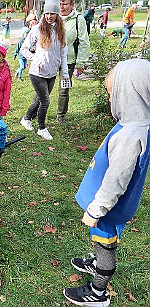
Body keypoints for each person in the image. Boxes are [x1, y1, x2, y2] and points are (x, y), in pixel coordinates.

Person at [63, 58, 150, 307]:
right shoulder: (137, 125)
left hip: (107, 206)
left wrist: (96, 209)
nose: (112, 101)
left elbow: (116, 180)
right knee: (103, 238)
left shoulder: (130, 136)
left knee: (105, 242)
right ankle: (96, 262)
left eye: (114, 95)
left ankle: (98, 292)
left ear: (131, 95)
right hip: (108, 204)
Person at [20, 0, 69, 141]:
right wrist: (36, 59)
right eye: (47, 13)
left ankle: (26, 119)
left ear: (57, 15)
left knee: (40, 99)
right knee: (45, 101)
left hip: (52, 72)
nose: (49, 16)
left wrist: (64, 73)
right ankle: (42, 128)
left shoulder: (61, 31)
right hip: (37, 72)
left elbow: (63, 54)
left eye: (52, 13)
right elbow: (24, 49)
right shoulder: (37, 29)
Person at [57, 0, 90, 125]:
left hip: (68, 61)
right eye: (60, 3)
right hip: (51, 60)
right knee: (43, 88)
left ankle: (61, 115)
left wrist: (80, 63)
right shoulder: (52, 16)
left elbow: (84, 42)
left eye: (65, 4)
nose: (62, 7)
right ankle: (35, 112)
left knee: (64, 89)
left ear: (72, 5)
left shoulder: (79, 19)